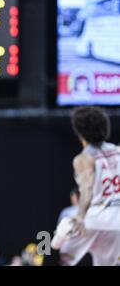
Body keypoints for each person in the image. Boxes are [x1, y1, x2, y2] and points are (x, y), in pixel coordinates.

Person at [58, 107, 120, 266]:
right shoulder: (118, 151)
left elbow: (87, 189)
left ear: (79, 131)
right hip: (115, 224)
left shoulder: (84, 158)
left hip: (93, 220)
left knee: (59, 256)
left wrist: (80, 215)